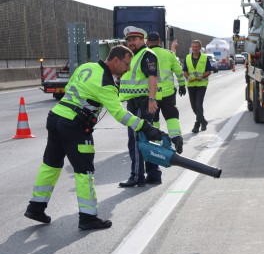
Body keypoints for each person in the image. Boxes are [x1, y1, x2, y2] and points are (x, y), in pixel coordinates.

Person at [24, 45, 166, 230]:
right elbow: (120, 114)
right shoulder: (106, 83)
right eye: (127, 63)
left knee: (51, 164)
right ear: (116, 60)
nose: (128, 68)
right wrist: (146, 128)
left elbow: (70, 87)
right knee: (85, 171)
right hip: (74, 125)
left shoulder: (86, 67)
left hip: (56, 117)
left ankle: (35, 207)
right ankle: (88, 217)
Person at [118, 26, 163, 187]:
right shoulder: (134, 56)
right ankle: (154, 174)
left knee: (136, 140)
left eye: (134, 39)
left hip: (142, 103)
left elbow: (152, 78)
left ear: (143, 40)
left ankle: (137, 176)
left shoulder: (146, 55)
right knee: (146, 139)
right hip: (135, 102)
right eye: (129, 40)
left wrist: (152, 100)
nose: (131, 42)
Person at [146, 33, 184, 154]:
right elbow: (178, 71)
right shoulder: (169, 54)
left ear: (147, 42)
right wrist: (182, 84)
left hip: (152, 93)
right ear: (159, 41)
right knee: (172, 116)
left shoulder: (144, 54)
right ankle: (176, 138)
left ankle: (155, 143)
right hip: (168, 93)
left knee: (153, 119)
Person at [182, 40, 212, 133]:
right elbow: (185, 71)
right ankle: (203, 121)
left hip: (201, 85)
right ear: (191, 48)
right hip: (191, 85)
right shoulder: (187, 57)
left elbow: (209, 71)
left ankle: (197, 124)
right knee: (194, 106)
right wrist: (188, 77)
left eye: (196, 47)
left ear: (200, 48)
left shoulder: (204, 58)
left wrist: (202, 76)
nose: (194, 48)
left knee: (198, 105)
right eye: (193, 47)